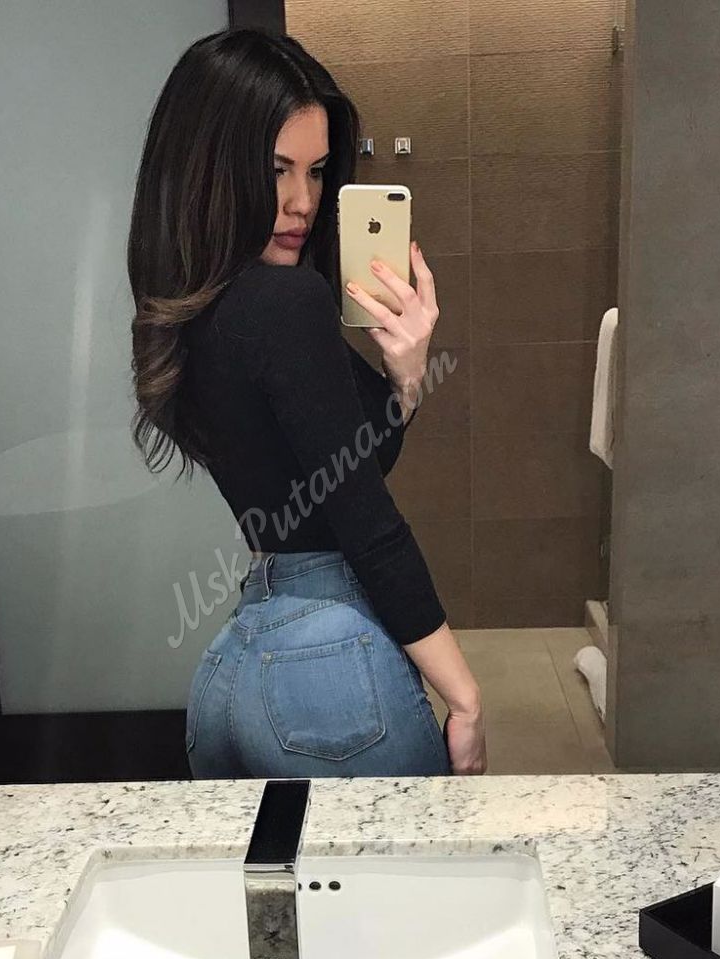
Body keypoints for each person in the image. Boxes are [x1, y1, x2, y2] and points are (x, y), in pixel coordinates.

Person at [127, 26, 487, 778]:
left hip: (234, 665)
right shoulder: (285, 303)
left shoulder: (196, 312)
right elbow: (366, 523)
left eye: (318, 172)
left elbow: (328, 475)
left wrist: (405, 380)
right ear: (209, 169)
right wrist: (465, 697)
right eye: (276, 170)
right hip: (326, 664)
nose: (303, 202)